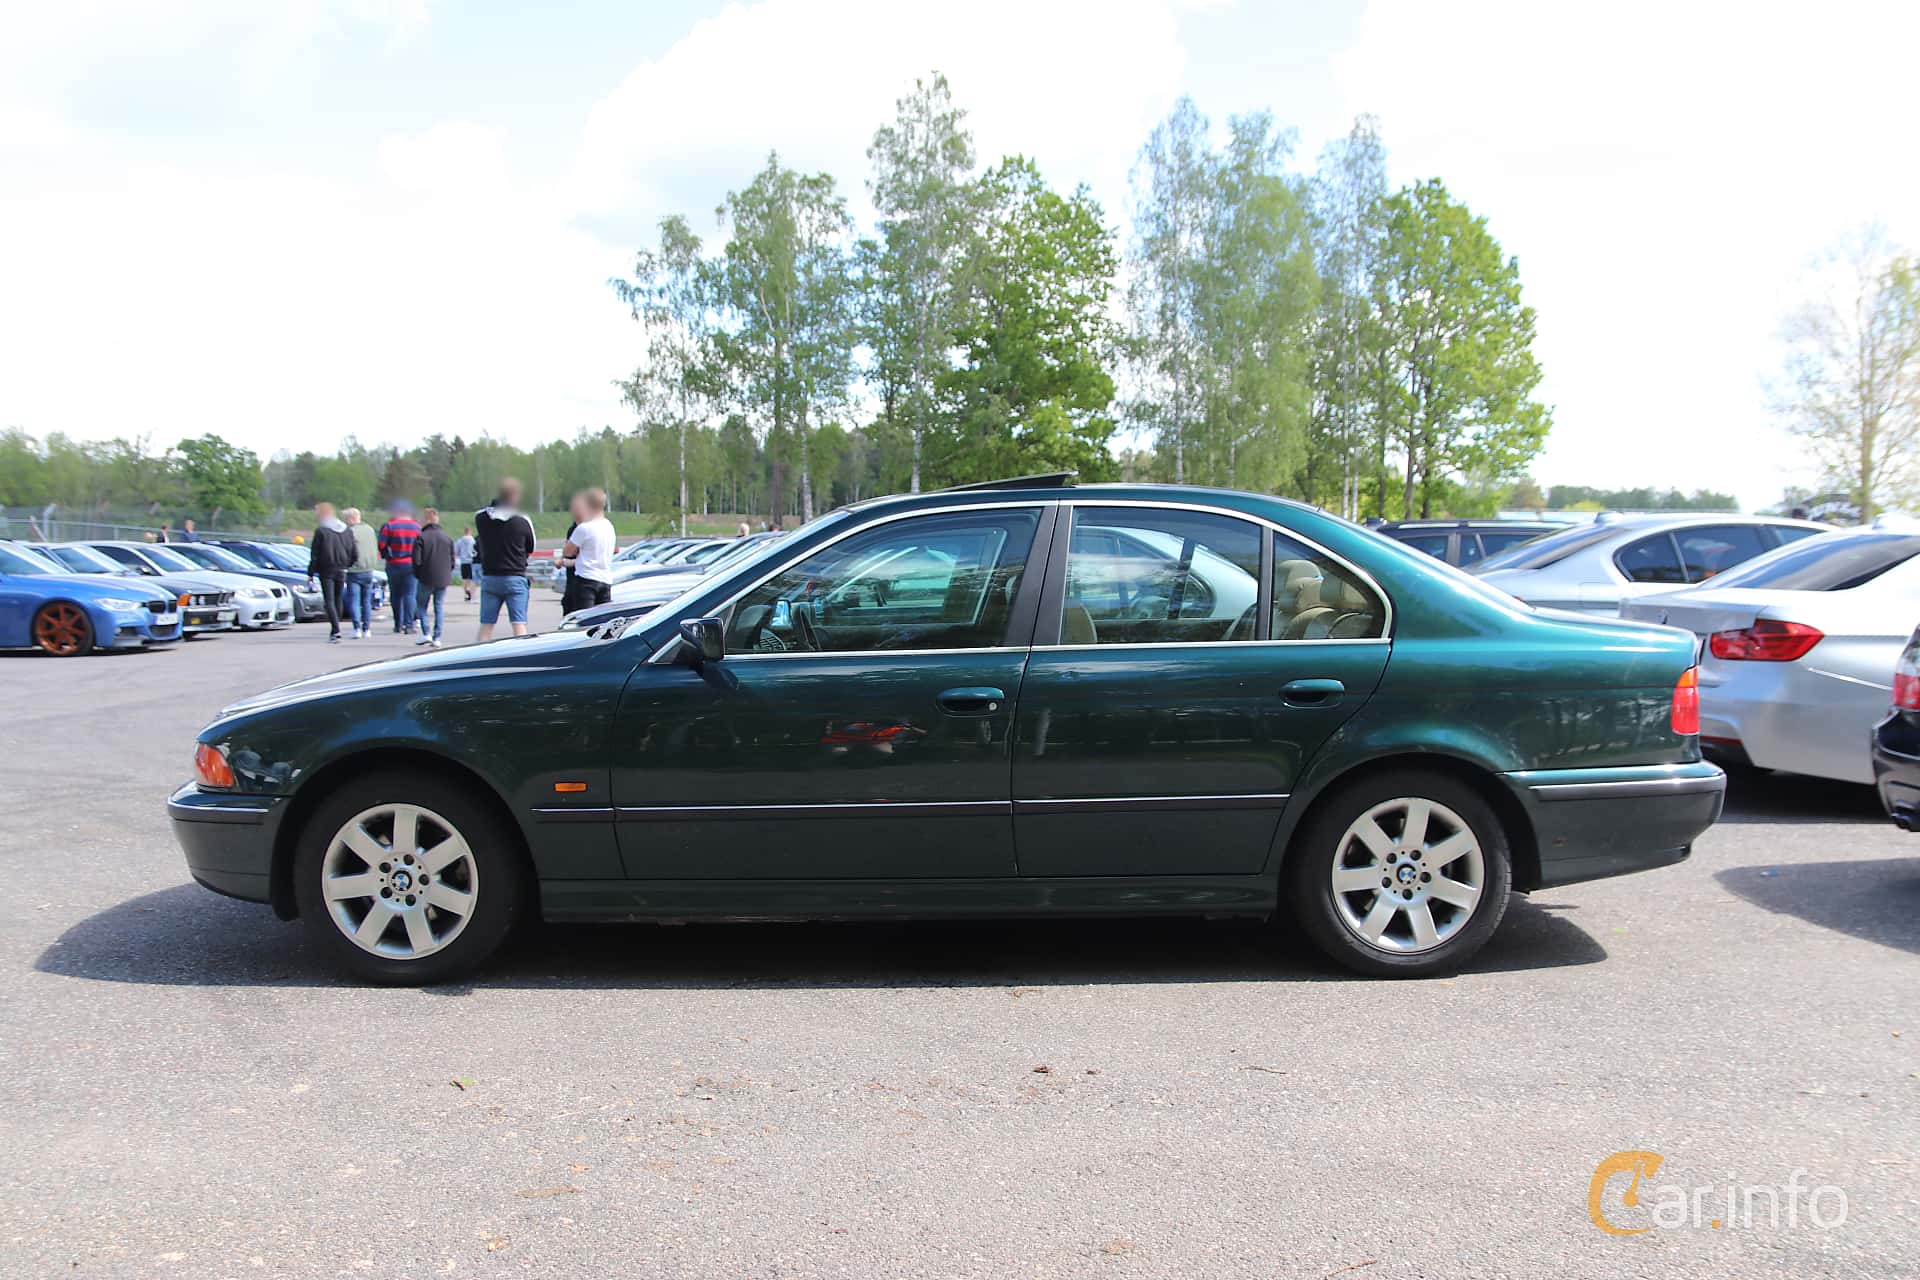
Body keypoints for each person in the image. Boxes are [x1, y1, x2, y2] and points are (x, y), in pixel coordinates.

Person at [474, 478, 537, 642]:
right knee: (519, 625)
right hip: (515, 576)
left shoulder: (481, 518)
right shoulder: (522, 520)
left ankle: (480, 659)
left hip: (490, 576)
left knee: (486, 626)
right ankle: (522, 660)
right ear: (515, 497)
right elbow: (531, 547)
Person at [559, 487, 616, 615]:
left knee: (584, 618)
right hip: (605, 578)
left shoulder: (584, 528)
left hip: (586, 579)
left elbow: (568, 552)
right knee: (602, 619)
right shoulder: (609, 526)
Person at [305, 503, 355, 643]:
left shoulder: (321, 531)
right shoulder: (346, 530)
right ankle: (336, 628)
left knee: (330, 600)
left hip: (327, 569)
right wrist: (348, 563)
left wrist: (311, 572)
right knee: (338, 598)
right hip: (342, 568)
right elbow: (353, 551)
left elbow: (315, 554)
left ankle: (335, 629)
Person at [412, 508, 456, 648]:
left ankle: (426, 632)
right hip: (443, 578)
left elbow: (416, 561)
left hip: (426, 577)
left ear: (426, 520)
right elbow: (452, 561)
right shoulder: (447, 538)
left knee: (421, 605)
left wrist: (418, 575)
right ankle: (437, 637)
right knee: (439, 606)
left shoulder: (421, 538)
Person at [378, 502, 422, 635]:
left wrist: (387, 556)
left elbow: (381, 544)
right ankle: (409, 625)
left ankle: (398, 624)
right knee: (410, 594)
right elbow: (422, 546)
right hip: (411, 563)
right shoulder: (417, 527)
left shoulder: (389, 526)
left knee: (395, 594)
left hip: (394, 563)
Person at [343, 507, 379, 638]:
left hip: (354, 570)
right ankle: (367, 628)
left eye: (346, 519)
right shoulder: (369, 529)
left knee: (354, 600)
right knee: (366, 601)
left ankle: (357, 628)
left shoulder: (350, 532)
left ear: (351, 518)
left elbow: (346, 550)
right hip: (369, 569)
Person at [454, 527, 477, 602]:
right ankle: (471, 593)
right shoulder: (473, 540)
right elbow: (475, 551)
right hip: (471, 561)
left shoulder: (460, 541)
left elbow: (456, 551)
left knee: (464, 579)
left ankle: (466, 592)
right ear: (470, 532)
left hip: (463, 561)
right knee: (471, 579)